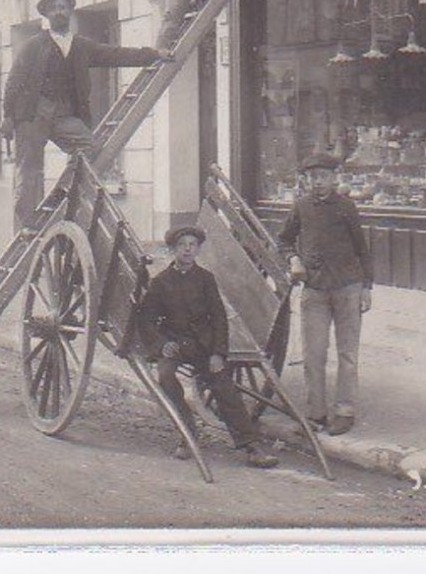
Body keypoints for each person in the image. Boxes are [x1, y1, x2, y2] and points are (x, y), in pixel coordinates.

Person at [0, 0, 166, 229]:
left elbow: (114, 54)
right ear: (46, 14)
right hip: (32, 115)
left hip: (63, 115)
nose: (59, 11)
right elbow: (13, 82)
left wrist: (152, 55)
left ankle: (62, 191)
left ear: (70, 12)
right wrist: (7, 116)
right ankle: (27, 223)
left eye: (64, 7)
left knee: (89, 147)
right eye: (54, 8)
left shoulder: (80, 46)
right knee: (29, 171)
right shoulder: (32, 45)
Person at [135, 226, 279, 469]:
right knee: (165, 376)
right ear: (174, 250)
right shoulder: (161, 282)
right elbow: (146, 319)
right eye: (182, 245)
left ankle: (251, 446)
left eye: (192, 245)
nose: (188, 249)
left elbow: (219, 318)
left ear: (198, 249)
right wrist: (162, 344)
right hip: (175, 344)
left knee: (223, 385)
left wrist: (218, 353)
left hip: (203, 345)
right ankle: (187, 431)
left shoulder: (205, 278)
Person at [278, 154, 373, 436]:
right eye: (312, 176)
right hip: (315, 291)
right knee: (313, 354)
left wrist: (367, 287)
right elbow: (283, 240)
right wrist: (293, 259)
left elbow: (361, 248)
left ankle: (344, 411)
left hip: (347, 287)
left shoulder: (346, 207)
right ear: (306, 179)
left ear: (334, 178)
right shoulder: (301, 207)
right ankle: (315, 413)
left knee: (347, 354)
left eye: (322, 176)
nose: (317, 182)